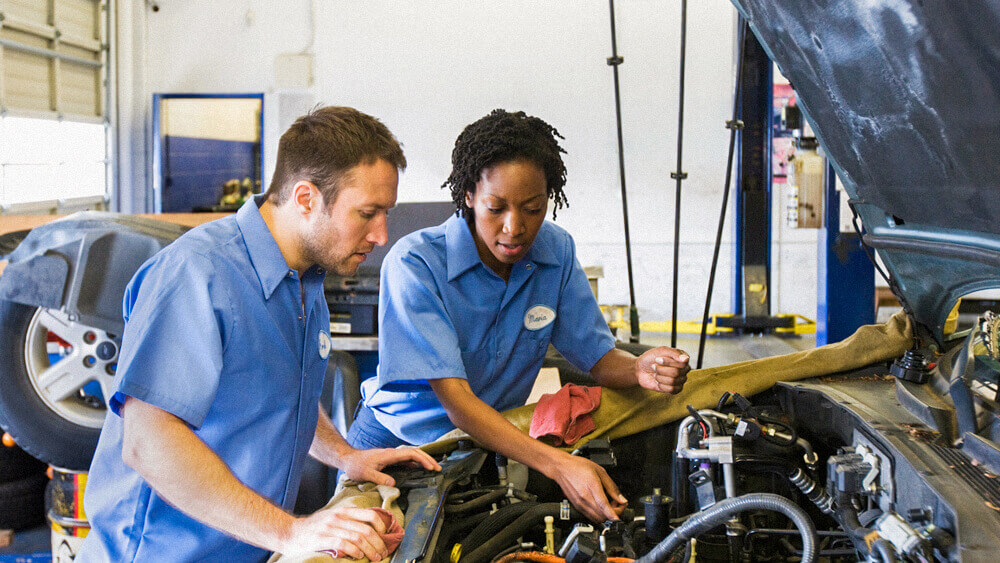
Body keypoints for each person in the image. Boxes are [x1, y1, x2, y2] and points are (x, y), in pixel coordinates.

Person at [77, 106, 440, 562]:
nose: (382, 234)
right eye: (367, 213)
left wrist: (346, 456)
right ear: (306, 198)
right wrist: (293, 535)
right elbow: (148, 443)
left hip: (248, 547)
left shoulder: (303, 279)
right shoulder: (197, 274)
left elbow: (285, 395)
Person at [347, 109, 690, 524]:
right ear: (469, 195)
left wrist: (640, 368)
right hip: (393, 446)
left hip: (484, 444)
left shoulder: (555, 253)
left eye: (532, 207)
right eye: (497, 207)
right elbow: (458, 403)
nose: (515, 227)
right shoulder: (416, 264)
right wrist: (559, 465)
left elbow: (599, 358)